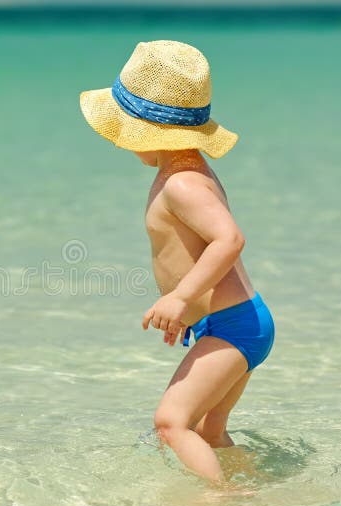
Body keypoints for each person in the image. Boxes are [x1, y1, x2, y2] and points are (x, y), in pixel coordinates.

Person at [79, 40, 275, 482]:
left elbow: (229, 239)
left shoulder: (182, 185)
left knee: (171, 423)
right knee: (208, 431)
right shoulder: (188, 172)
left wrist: (182, 297)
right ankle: (254, 498)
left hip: (235, 326)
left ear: (147, 129)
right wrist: (194, 311)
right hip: (231, 321)